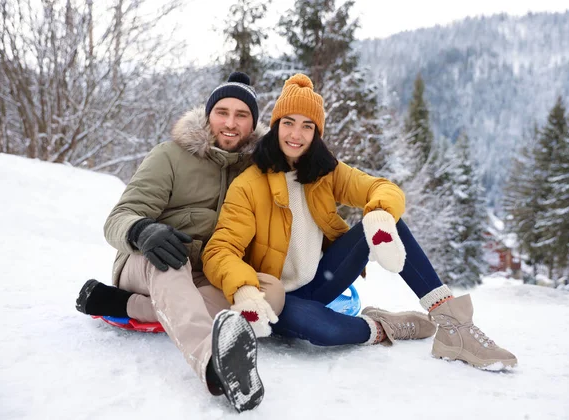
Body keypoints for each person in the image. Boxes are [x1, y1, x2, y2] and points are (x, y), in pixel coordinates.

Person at [202, 73, 518, 370]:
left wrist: (380, 213)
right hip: (280, 298)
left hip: (322, 278)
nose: (296, 135)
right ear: (275, 126)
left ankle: (454, 326)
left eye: (307, 126)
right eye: (289, 123)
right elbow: (220, 250)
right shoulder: (249, 184)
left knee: (386, 221)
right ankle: (385, 326)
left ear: (316, 132)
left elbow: (382, 188)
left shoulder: (324, 171)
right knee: (322, 330)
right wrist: (244, 288)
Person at [75, 72, 285, 412]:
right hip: (148, 261)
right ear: (208, 114)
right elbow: (118, 217)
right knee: (172, 263)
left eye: (241, 115)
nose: (230, 123)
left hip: (207, 275)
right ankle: (214, 365)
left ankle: (121, 305)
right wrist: (142, 231)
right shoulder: (171, 156)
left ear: (253, 124)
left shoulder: (255, 170)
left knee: (270, 292)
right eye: (222, 112)